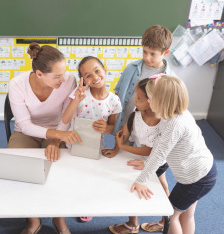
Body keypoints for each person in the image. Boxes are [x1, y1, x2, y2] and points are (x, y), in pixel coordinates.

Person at [8, 42, 81, 234]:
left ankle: (60, 219)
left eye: (64, 72)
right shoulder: (16, 84)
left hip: (57, 128)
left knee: (60, 168)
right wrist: (59, 135)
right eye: (57, 76)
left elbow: (66, 116)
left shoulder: (69, 81)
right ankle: (33, 221)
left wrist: (56, 141)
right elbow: (24, 125)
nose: (63, 79)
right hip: (26, 133)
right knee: (21, 168)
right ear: (39, 74)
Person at [131, 75, 217, 234]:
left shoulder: (174, 124)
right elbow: (161, 147)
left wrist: (142, 180)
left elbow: (159, 153)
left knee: (171, 215)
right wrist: (148, 163)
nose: (148, 102)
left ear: (162, 101)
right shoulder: (178, 114)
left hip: (196, 179)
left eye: (150, 98)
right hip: (205, 171)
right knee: (186, 214)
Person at [102, 78, 170, 234]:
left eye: (139, 98)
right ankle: (135, 223)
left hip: (157, 160)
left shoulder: (161, 121)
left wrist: (123, 146)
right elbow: (126, 130)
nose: (135, 100)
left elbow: (149, 151)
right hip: (141, 157)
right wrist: (116, 148)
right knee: (156, 185)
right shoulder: (138, 111)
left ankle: (161, 221)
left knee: (156, 185)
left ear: (153, 101)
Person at [114, 25, 176, 135]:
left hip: (151, 127)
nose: (147, 57)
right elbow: (118, 91)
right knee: (122, 146)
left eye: (153, 54)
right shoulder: (130, 68)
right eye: (145, 51)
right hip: (126, 120)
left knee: (144, 150)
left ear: (165, 52)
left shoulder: (170, 79)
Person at [62, 56, 122, 147]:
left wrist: (105, 128)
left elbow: (111, 127)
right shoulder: (79, 94)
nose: (95, 77)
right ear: (84, 80)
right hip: (74, 145)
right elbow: (65, 120)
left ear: (105, 71)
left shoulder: (114, 100)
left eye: (97, 71)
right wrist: (76, 100)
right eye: (88, 76)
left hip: (96, 147)